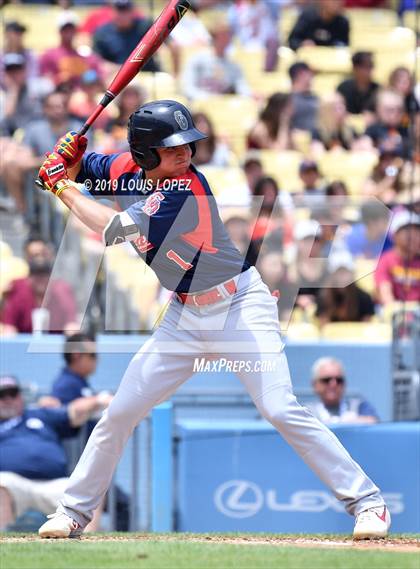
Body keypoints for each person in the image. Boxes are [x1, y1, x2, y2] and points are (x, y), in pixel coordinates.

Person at [36, 99, 390, 540]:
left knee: (279, 408)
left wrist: (61, 187)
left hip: (240, 306)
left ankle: (368, 503)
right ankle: (72, 512)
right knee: (120, 412)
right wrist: (64, 157)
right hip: (183, 315)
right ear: (145, 153)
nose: (185, 153)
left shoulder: (185, 189)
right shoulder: (123, 166)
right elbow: (76, 164)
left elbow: (111, 231)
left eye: (188, 145)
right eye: (172, 147)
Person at [0, 375, 103, 531]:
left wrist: (102, 400)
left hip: (54, 483)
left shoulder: (40, 414)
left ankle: (89, 547)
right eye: (2, 395)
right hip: (13, 484)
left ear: (20, 397)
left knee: (91, 489)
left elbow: (74, 411)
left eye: (12, 393)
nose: (8, 399)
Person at [93, 0, 179, 74]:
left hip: (148, 74)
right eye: (119, 10)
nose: (123, 15)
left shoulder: (145, 26)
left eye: (126, 10)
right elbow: (96, 61)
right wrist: (119, 69)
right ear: (112, 11)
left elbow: (173, 46)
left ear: (132, 11)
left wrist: (175, 74)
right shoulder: (102, 33)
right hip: (117, 77)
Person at [182, 24, 250, 100]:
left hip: (222, 106)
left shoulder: (233, 66)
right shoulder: (197, 59)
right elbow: (188, 88)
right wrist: (207, 98)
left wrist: (250, 95)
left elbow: (242, 87)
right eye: (222, 36)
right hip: (200, 105)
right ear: (214, 37)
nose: (226, 40)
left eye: (228, 37)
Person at [39, 12, 103, 90]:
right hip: (59, 93)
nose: (69, 32)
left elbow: (99, 77)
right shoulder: (49, 55)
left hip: (83, 94)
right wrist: (58, 79)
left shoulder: (87, 56)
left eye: (71, 28)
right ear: (59, 31)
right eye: (65, 29)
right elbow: (44, 80)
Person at [308, 358, 379, 425]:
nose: (333, 384)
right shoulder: (306, 411)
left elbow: (373, 421)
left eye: (339, 380)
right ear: (314, 384)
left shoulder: (359, 406)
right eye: (326, 380)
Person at [315, 250, 375, 326]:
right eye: (338, 272)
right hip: (332, 337)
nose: (342, 277)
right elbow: (324, 328)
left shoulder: (364, 298)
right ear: (332, 274)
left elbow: (365, 328)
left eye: (345, 272)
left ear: (352, 274)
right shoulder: (323, 297)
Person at [375, 209, 420, 304]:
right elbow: (386, 295)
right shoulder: (385, 260)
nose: (415, 236)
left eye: (417, 232)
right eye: (408, 232)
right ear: (395, 235)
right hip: (394, 313)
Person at [364, 90, 411, 159]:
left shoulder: (406, 128)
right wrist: (381, 148)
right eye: (389, 110)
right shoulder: (373, 129)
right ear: (379, 109)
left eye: (399, 110)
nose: (395, 114)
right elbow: (365, 147)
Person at [288, 62, 319, 134]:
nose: (312, 77)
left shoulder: (316, 98)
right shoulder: (288, 100)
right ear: (301, 74)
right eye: (310, 73)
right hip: (299, 140)